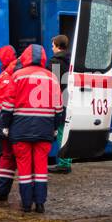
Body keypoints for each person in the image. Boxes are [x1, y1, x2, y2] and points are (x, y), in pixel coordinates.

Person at [0, 44, 64, 214]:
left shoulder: (17, 76)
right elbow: (58, 107)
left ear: (26, 57)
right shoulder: (52, 77)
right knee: (41, 167)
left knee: (24, 168)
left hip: (20, 129)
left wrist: (5, 125)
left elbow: (8, 104)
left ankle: (26, 203)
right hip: (44, 128)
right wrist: (55, 127)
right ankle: (40, 203)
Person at [0, 45, 19, 202]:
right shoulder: (22, 74)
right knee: (26, 159)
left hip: (4, 122)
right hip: (22, 123)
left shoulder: (3, 76)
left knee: (6, 157)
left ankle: (1, 192)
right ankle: (31, 198)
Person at [49, 32, 73, 174]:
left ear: (58, 46)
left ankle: (64, 163)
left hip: (59, 100)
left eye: (52, 45)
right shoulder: (72, 60)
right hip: (71, 99)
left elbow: (54, 83)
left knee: (61, 132)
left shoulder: (55, 62)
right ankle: (66, 161)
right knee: (66, 131)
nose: (51, 48)